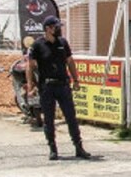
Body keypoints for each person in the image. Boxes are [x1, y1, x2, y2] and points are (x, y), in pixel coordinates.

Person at [24, 16, 91, 161]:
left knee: (71, 117)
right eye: (56, 27)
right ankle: (52, 149)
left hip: (63, 85)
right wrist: (31, 86)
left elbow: (70, 61)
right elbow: (30, 66)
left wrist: (76, 79)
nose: (58, 29)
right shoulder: (37, 45)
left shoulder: (63, 43)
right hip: (47, 87)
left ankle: (79, 147)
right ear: (48, 28)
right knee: (49, 119)